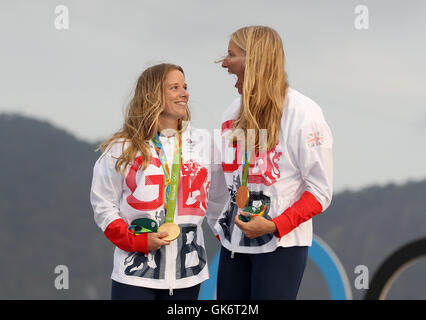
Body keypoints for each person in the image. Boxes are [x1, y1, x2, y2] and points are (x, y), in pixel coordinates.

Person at [212, 26, 333, 300]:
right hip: (234, 246)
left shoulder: (304, 114)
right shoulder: (230, 113)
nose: (224, 64)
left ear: (254, 60)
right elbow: (220, 183)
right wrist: (220, 227)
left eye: (231, 55)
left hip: (282, 246)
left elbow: (320, 191)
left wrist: (275, 225)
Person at [90, 63, 227, 300]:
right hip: (135, 275)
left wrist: (233, 240)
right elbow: (103, 206)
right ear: (152, 95)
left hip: (188, 274)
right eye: (174, 87)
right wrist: (136, 240)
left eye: (185, 87)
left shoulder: (204, 143)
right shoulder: (123, 147)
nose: (185, 93)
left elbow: (220, 200)